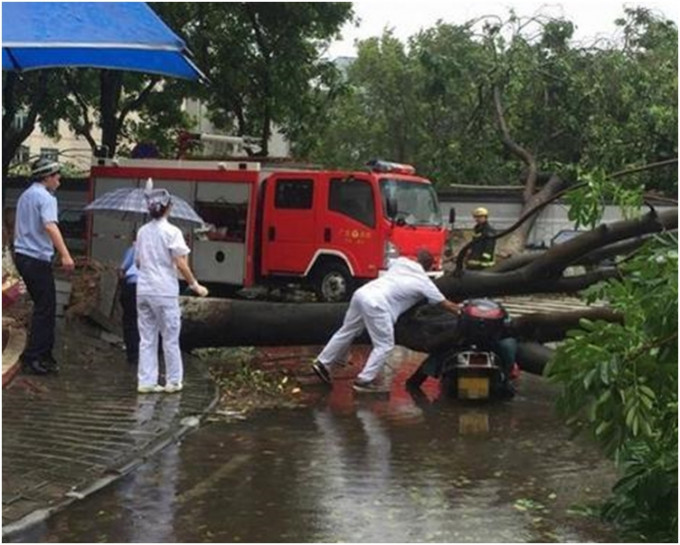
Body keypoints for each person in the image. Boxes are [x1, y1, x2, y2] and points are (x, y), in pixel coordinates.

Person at [311, 249, 460, 393]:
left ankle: (323, 362)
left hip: (362, 294)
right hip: (378, 304)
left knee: (347, 330)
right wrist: (463, 312)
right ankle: (364, 380)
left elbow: (390, 261)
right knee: (384, 345)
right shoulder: (424, 282)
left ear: (416, 260)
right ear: (428, 268)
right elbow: (445, 304)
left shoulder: (400, 263)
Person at [134, 188, 209, 394]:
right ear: (167, 208)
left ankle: (146, 382)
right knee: (169, 338)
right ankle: (173, 381)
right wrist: (195, 285)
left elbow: (138, 262)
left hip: (143, 290)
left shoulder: (142, 232)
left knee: (147, 338)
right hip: (164, 291)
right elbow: (181, 263)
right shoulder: (172, 232)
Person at [13, 158, 75, 375]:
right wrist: (66, 255)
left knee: (44, 305)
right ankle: (34, 357)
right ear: (47, 177)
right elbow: (50, 226)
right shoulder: (46, 198)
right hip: (36, 257)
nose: (59, 179)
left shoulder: (26, 195)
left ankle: (44, 354)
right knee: (45, 308)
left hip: (23, 255)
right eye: (57, 175)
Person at [118, 240, 139, 365]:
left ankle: (133, 356)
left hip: (133, 284)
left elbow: (122, 269)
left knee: (130, 321)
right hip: (155, 288)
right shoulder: (167, 245)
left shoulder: (136, 246)